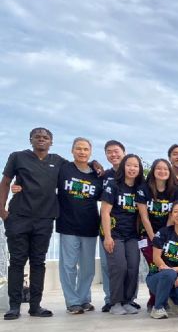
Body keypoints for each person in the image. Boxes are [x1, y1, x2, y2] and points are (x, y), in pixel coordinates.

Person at [1, 128, 73, 319]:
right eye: (38, 137)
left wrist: (95, 163)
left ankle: (35, 305)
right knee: (17, 261)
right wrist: (2, 211)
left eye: (46, 138)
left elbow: (77, 168)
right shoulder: (17, 157)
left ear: (51, 142)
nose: (41, 140)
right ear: (30, 139)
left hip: (44, 218)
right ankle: (14, 306)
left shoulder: (58, 161)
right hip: (18, 217)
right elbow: (6, 182)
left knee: (38, 262)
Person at [56, 137, 103, 314]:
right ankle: (72, 301)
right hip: (67, 225)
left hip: (90, 226)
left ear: (90, 152)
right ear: (72, 150)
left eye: (85, 149)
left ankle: (83, 299)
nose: (82, 152)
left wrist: (95, 164)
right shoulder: (64, 168)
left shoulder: (96, 175)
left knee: (88, 268)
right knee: (68, 266)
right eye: (78, 149)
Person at [137, 159, 178, 310]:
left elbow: (173, 215)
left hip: (167, 233)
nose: (162, 171)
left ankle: (168, 298)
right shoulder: (143, 189)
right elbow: (144, 216)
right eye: (159, 168)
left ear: (169, 172)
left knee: (167, 265)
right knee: (154, 266)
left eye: (165, 169)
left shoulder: (175, 190)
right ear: (153, 171)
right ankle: (154, 301)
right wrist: (155, 239)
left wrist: (165, 236)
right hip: (148, 234)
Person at [101, 154, 144, 315]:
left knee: (133, 267)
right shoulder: (113, 185)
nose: (132, 169)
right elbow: (105, 212)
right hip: (115, 234)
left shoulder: (140, 188)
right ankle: (115, 302)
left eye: (136, 166)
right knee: (119, 267)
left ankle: (128, 300)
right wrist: (107, 236)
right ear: (123, 167)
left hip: (133, 235)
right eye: (129, 165)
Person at [99, 140, 126, 312]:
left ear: (124, 152)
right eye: (109, 152)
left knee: (130, 265)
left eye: (116, 151)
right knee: (109, 265)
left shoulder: (135, 176)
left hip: (130, 230)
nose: (113, 155)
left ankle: (128, 299)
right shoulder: (103, 176)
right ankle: (110, 298)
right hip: (108, 229)